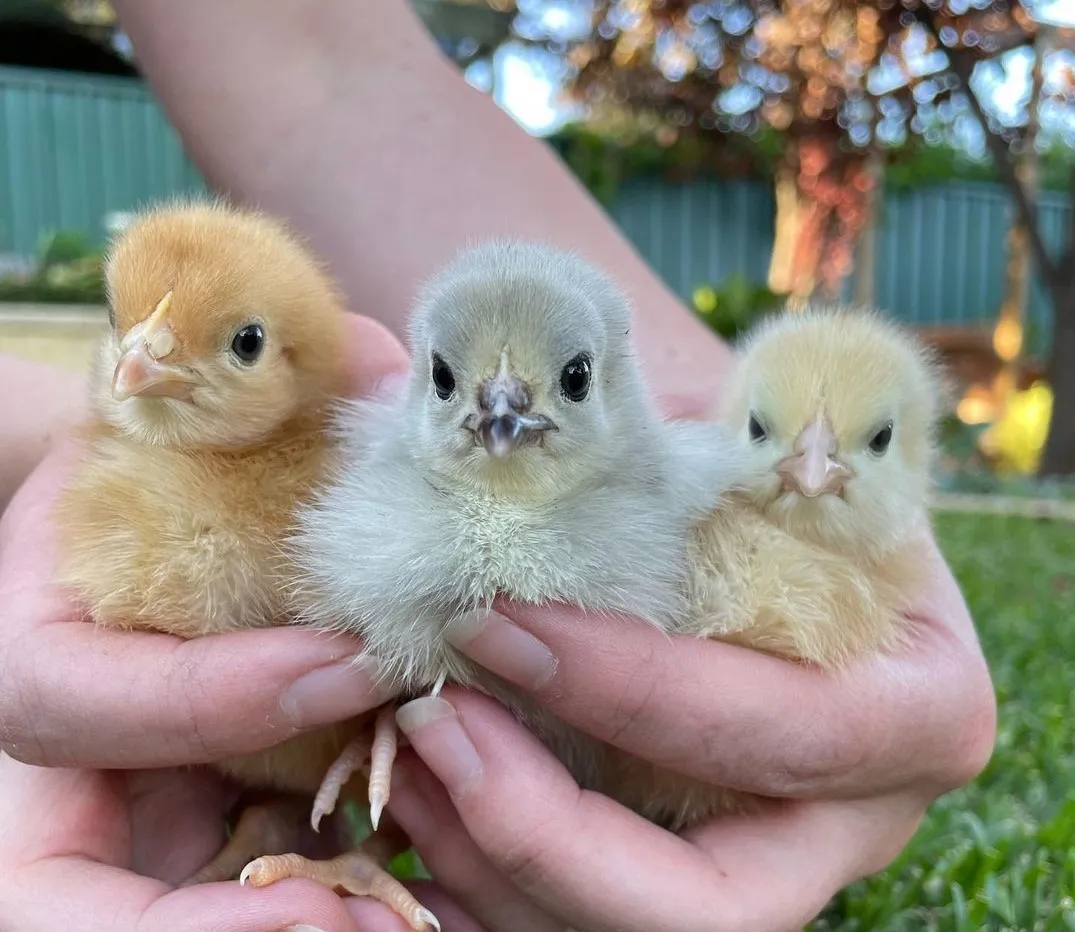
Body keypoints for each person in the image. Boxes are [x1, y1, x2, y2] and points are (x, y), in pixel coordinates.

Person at [0, 2, 997, 930]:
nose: (500, 408)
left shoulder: (644, 497)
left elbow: (317, 67)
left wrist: (771, 444)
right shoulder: (357, 505)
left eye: (559, 380)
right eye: (453, 381)